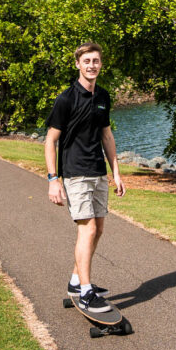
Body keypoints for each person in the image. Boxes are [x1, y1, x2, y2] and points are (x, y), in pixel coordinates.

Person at [45, 42, 126, 314]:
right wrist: (52, 179)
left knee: (98, 230)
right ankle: (87, 291)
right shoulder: (66, 99)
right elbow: (50, 141)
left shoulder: (103, 96)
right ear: (78, 64)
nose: (92, 65)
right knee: (87, 229)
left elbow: (107, 135)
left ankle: (76, 280)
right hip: (75, 173)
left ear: (101, 64)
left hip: (97, 172)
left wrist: (116, 171)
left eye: (96, 60)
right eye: (87, 60)